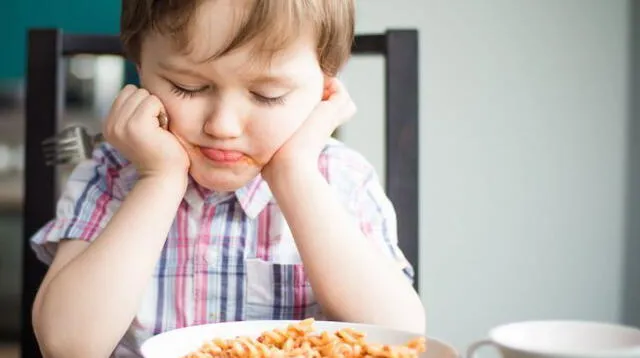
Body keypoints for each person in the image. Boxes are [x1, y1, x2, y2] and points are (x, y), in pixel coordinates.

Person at [29, 0, 425, 356]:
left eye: (267, 95)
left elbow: (402, 337)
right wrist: (159, 179)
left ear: (325, 91)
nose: (222, 126)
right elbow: (67, 346)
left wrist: (293, 174)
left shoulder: (343, 180)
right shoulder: (111, 175)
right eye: (188, 87)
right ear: (141, 70)